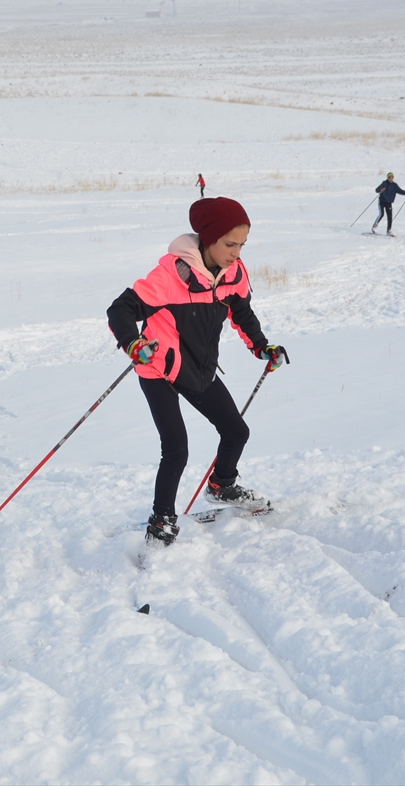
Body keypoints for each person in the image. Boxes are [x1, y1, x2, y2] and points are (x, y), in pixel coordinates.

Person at [107, 197, 288, 547]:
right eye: (230, 244)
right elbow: (121, 309)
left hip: (199, 370)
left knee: (236, 431)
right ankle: (162, 520)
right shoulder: (171, 276)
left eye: (242, 245)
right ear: (208, 240)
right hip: (160, 368)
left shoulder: (234, 274)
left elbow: (242, 314)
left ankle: (222, 485)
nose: (236, 253)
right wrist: (133, 343)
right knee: (176, 448)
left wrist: (262, 346)